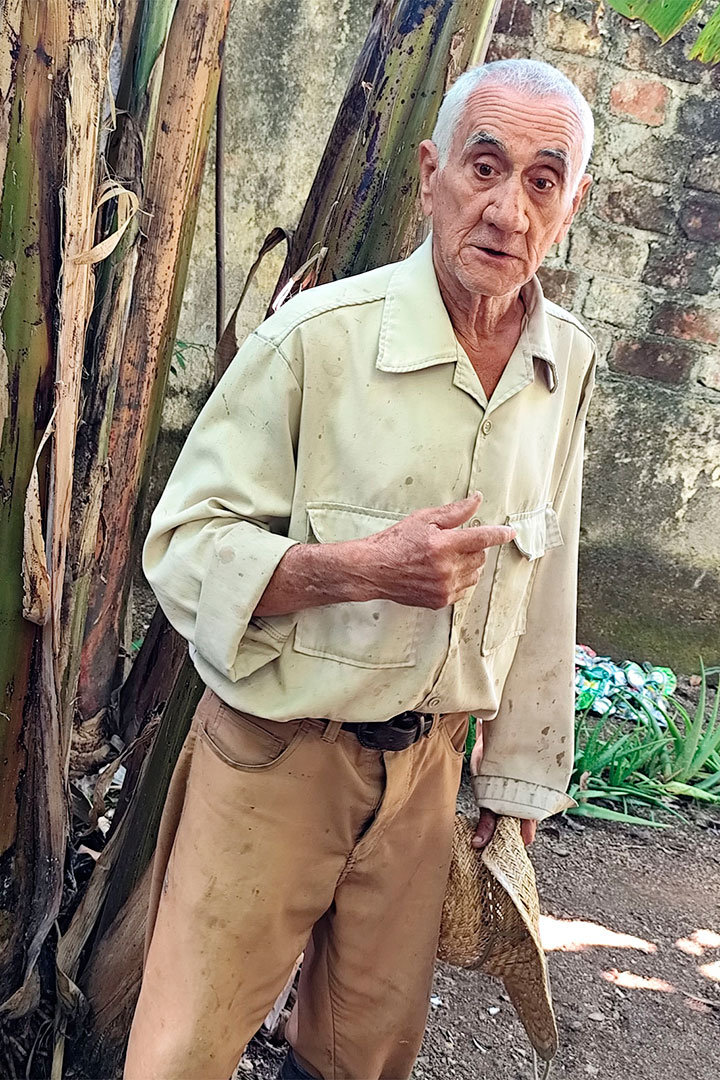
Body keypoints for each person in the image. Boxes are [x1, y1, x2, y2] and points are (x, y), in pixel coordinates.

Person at [124, 57, 596, 1080]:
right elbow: (181, 547)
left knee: (363, 1057)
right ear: (432, 174)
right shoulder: (317, 341)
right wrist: (358, 569)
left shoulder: (566, 365)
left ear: (572, 203)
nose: (508, 209)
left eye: (542, 180)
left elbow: (544, 577)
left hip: (429, 774)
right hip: (272, 754)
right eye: (484, 166)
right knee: (184, 1052)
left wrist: (513, 786)